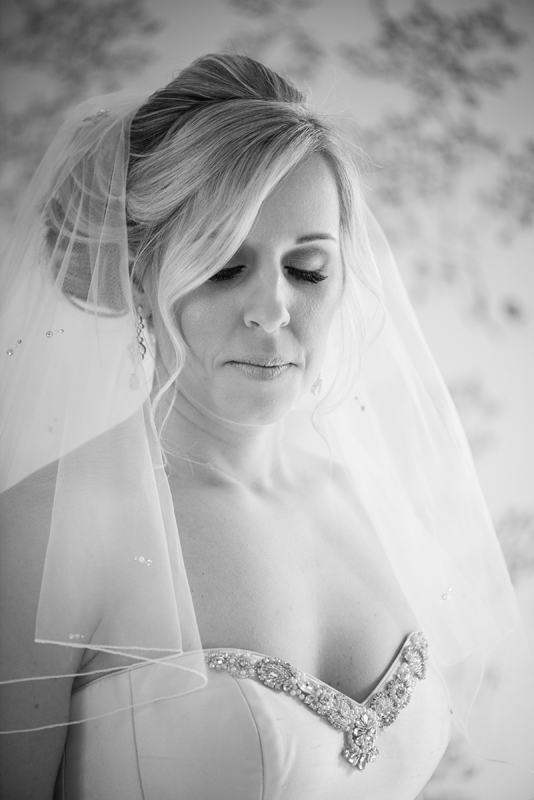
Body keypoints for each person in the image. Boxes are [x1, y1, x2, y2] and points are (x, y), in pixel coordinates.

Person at [0, 53, 532, 800]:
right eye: (224, 265)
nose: (274, 310)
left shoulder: (373, 506)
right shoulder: (44, 533)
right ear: (140, 275)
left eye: (308, 269)